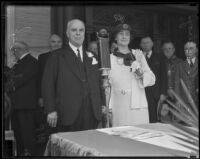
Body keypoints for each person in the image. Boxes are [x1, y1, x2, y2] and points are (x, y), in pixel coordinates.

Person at [42, 19, 104, 132]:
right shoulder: (56, 56)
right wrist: (50, 110)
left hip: (92, 112)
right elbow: (48, 84)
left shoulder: (92, 55)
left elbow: (99, 82)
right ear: (67, 33)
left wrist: (103, 104)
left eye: (81, 30)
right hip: (67, 112)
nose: (78, 33)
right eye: (74, 30)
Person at [109, 23, 155, 127]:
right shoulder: (109, 58)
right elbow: (108, 86)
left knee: (140, 136)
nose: (124, 37)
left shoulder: (138, 55)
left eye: (127, 34)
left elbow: (152, 79)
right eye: (121, 34)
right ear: (115, 38)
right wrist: (109, 108)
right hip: (119, 106)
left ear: (130, 37)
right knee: (121, 138)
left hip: (138, 105)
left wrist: (138, 67)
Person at [7, 41, 38, 156]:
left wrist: (7, 87)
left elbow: (19, 79)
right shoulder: (19, 63)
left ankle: (30, 153)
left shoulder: (31, 61)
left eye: (13, 50)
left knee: (27, 132)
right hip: (16, 104)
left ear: (18, 50)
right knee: (18, 132)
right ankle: (20, 153)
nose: (13, 53)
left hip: (25, 104)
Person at [140, 35, 165, 123]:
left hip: (155, 92)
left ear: (152, 44)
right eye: (143, 43)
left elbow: (163, 76)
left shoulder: (160, 57)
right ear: (140, 45)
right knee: (142, 116)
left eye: (147, 42)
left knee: (154, 118)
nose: (145, 45)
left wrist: (162, 93)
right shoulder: (137, 57)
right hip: (141, 92)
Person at [158, 41, 182, 122]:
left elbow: (183, 80)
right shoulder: (159, 62)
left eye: (170, 48)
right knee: (164, 118)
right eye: (165, 49)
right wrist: (163, 92)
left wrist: (178, 95)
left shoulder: (180, 62)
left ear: (174, 49)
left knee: (177, 121)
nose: (167, 50)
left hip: (177, 95)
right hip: (164, 95)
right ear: (162, 50)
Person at [38, 34, 63, 107]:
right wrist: (40, 96)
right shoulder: (42, 57)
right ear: (49, 43)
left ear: (62, 43)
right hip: (48, 95)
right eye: (53, 42)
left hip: (65, 95)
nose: (56, 44)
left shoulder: (68, 57)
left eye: (59, 42)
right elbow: (40, 78)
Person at [174, 40, 198, 109]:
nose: (188, 50)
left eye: (191, 48)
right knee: (185, 119)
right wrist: (178, 99)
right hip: (184, 100)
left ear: (196, 50)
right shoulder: (179, 65)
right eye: (186, 49)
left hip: (196, 98)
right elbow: (176, 83)